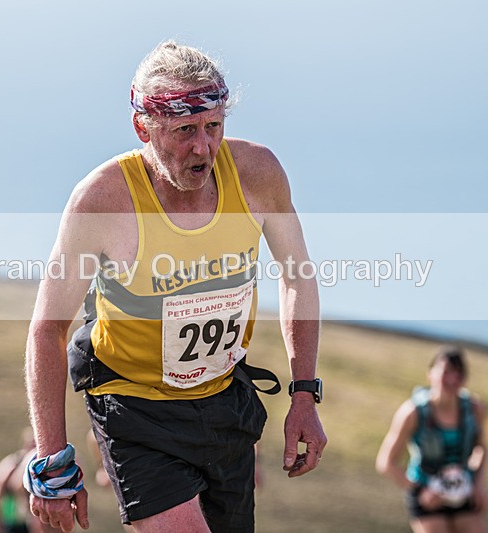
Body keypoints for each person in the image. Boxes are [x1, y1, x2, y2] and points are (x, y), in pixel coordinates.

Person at [24, 40, 326, 533]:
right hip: (134, 409)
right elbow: (48, 329)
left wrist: (304, 394)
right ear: (143, 127)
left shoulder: (257, 175)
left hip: (225, 400)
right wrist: (51, 462)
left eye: (214, 127)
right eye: (185, 130)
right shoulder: (102, 201)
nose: (203, 148)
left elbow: (297, 275)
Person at [376, 346, 488, 533]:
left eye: (458, 374)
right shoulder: (412, 412)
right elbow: (385, 463)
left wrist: (478, 485)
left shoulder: (475, 409)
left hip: (463, 491)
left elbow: (482, 449)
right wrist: (419, 491)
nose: (451, 379)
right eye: (446, 372)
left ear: (464, 379)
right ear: (430, 374)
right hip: (428, 494)